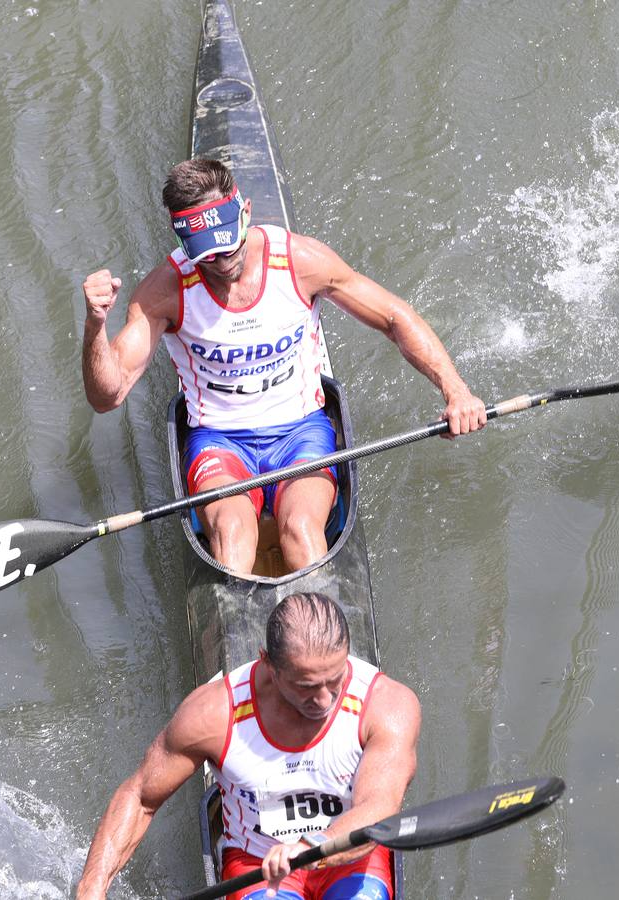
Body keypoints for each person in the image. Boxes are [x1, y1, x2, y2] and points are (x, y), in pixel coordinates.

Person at [82, 158, 486, 573]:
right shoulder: (162, 293)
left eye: (231, 245)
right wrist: (96, 325)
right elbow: (107, 396)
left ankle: (315, 631)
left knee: (301, 530)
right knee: (234, 537)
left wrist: (456, 391)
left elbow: (394, 317)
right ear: (184, 245)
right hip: (219, 442)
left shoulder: (299, 262)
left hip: (301, 432)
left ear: (247, 213)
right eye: (209, 254)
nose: (223, 263)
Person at [76, 592, 421, 900]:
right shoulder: (213, 715)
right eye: (307, 686)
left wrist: (308, 847)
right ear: (267, 664)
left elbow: (379, 806)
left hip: (350, 856)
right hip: (257, 864)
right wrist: (92, 888)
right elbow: (140, 798)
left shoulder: (386, 705)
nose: (325, 699)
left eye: (335, 679)